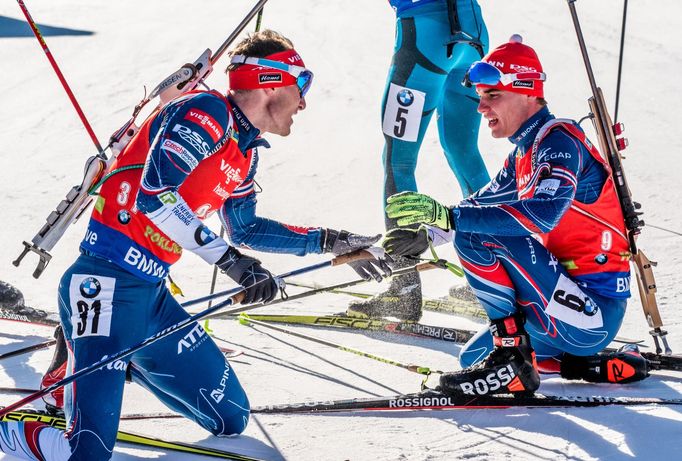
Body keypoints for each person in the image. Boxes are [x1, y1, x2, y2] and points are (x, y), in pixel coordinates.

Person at [0, 30, 390, 461]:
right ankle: (9, 431)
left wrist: (331, 241)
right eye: (303, 87)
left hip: (152, 302)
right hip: (104, 289)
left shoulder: (245, 151)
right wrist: (232, 263)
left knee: (231, 418)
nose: (304, 102)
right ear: (271, 82)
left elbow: (246, 229)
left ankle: (112, 364)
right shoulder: (205, 112)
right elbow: (154, 194)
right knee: (87, 454)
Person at [382, 35, 649, 397]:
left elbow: (542, 215)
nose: (481, 107)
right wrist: (425, 234)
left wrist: (450, 220)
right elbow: (477, 206)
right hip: (563, 309)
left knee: (473, 232)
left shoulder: (558, 141)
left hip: (592, 313)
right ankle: (575, 364)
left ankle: (513, 357)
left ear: (527, 91)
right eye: (479, 96)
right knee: (470, 358)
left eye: (492, 95)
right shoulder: (525, 151)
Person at [346, 0, 491, 322]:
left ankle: (404, 288)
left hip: (426, 35)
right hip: (473, 32)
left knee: (399, 161)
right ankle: (490, 282)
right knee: (464, 151)